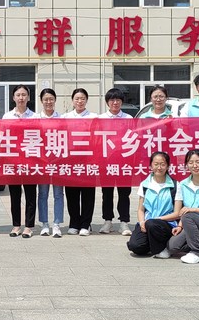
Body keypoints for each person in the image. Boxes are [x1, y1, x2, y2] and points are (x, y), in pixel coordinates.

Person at [126, 152, 179, 257]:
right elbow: (141, 209)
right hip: (147, 223)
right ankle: (154, 244)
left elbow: (177, 213)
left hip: (166, 224)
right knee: (135, 246)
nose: (159, 167)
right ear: (150, 166)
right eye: (156, 164)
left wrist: (157, 219)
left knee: (152, 224)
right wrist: (142, 222)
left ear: (168, 166)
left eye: (163, 164)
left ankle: (162, 248)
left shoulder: (175, 185)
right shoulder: (145, 185)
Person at [3, 85, 37, 238]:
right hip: (13, 161)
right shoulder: (7, 117)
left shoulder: (35, 117)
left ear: (28, 97)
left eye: (24, 95)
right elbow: (2, 138)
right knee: (14, 195)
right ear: (13, 97)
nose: (21, 98)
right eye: (18, 95)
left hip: (31, 162)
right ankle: (16, 225)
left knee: (30, 195)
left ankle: (29, 226)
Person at [98, 87, 133, 236]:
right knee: (107, 193)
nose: (115, 102)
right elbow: (96, 140)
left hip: (124, 161)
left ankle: (124, 222)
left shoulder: (128, 119)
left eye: (118, 100)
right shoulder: (100, 119)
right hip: (106, 161)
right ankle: (108, 221)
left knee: (124, 193)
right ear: (107, 102)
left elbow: (133, 139)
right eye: (112, 100)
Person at [63, 87, 96, 236]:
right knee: (72, 194)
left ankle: (86, 224)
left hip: (89, 160)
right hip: (70, 160)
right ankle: (74, 223)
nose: (80, 101)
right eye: (77, 98)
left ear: (86, 100)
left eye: (82, 98)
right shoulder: (65, 117)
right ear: (72, 101)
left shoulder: (94, 117)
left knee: (88, 194)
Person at [36, 88, 63, 238]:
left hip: (58, 161)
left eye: (51, 99)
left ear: (55, 100)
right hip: (41, 162)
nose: (48, 102)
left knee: (58, 194)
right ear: (41, 101)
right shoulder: (36, 118)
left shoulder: (62, 119)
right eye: (45, 99)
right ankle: (44, 223)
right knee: (43, 194)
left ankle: (57, 224)